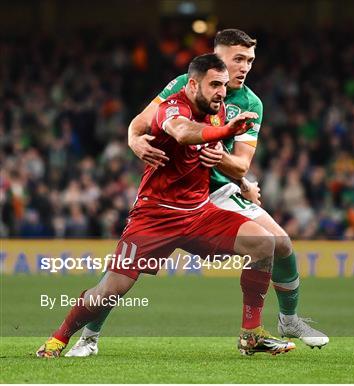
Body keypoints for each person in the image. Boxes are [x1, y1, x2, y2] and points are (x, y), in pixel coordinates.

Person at [67, 29, 328, 358]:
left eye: (249, 60)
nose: (245, 67)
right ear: (217, 59)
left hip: (217, 191)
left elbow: (241, 165)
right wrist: (134, 141)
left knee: (281, 243)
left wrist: (227, 164)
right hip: (170, 193)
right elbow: (142, 122)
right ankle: (89, 334)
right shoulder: (184, 84)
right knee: (122, 273)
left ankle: (285, 321)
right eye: (238, 59)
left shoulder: (251, 103)